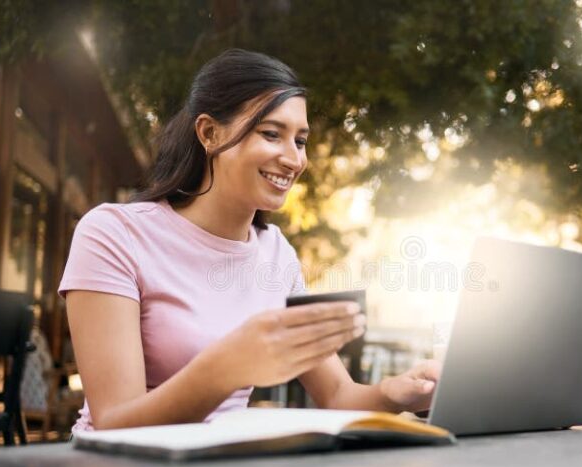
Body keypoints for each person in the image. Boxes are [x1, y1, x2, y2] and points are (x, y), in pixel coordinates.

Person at [59, 49, 441, 432]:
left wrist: (394, 393)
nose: (294, 160)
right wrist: (228, 365)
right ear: (209, 133)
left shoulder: (276, 254)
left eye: (301, 141)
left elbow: (337, 395)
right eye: (272, 134)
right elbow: (114, 421)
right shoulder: (114, 234)